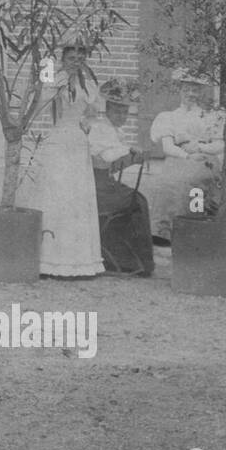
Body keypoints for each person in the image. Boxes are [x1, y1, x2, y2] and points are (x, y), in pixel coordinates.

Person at [17, 43, 104, 277]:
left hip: (78, 143)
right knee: (56, 195)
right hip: (57, 140)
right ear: (63, 60)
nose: (75, 62)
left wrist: (87, 126)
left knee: (77, 198)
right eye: (71, 58)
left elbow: (92, 115)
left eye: (80, 59)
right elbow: (39, 104)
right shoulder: (54, 81)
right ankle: (49, 261)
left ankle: (79, 262)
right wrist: (55, 83)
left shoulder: (89, 85)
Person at [140, 71, 223, 243]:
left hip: (204, 158)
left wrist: (199, 147)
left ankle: (193, 229)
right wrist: (187, 156)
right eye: (186, 90)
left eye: (195, 90)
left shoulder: (210, 116)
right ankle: (163, 232)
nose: (191, 94)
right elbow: (168, 147)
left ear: (201, 92)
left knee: (192, 182)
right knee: (166, 183)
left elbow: (219, 145)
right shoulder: (169, 117)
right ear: (180, 90)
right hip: (179, 158)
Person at [86, 80, 154, 277]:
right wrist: (129, 150)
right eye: (117, 112)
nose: (121, 116)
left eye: (125, 112)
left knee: (138, 200)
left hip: (106, 182)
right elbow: (106, 157)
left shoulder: (116, 131)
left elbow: (114, 163)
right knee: (137, 201)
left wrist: (131, 156)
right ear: (107, 110)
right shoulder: (100, 128)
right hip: (97, 186)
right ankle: (132, 261)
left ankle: (134, 260)